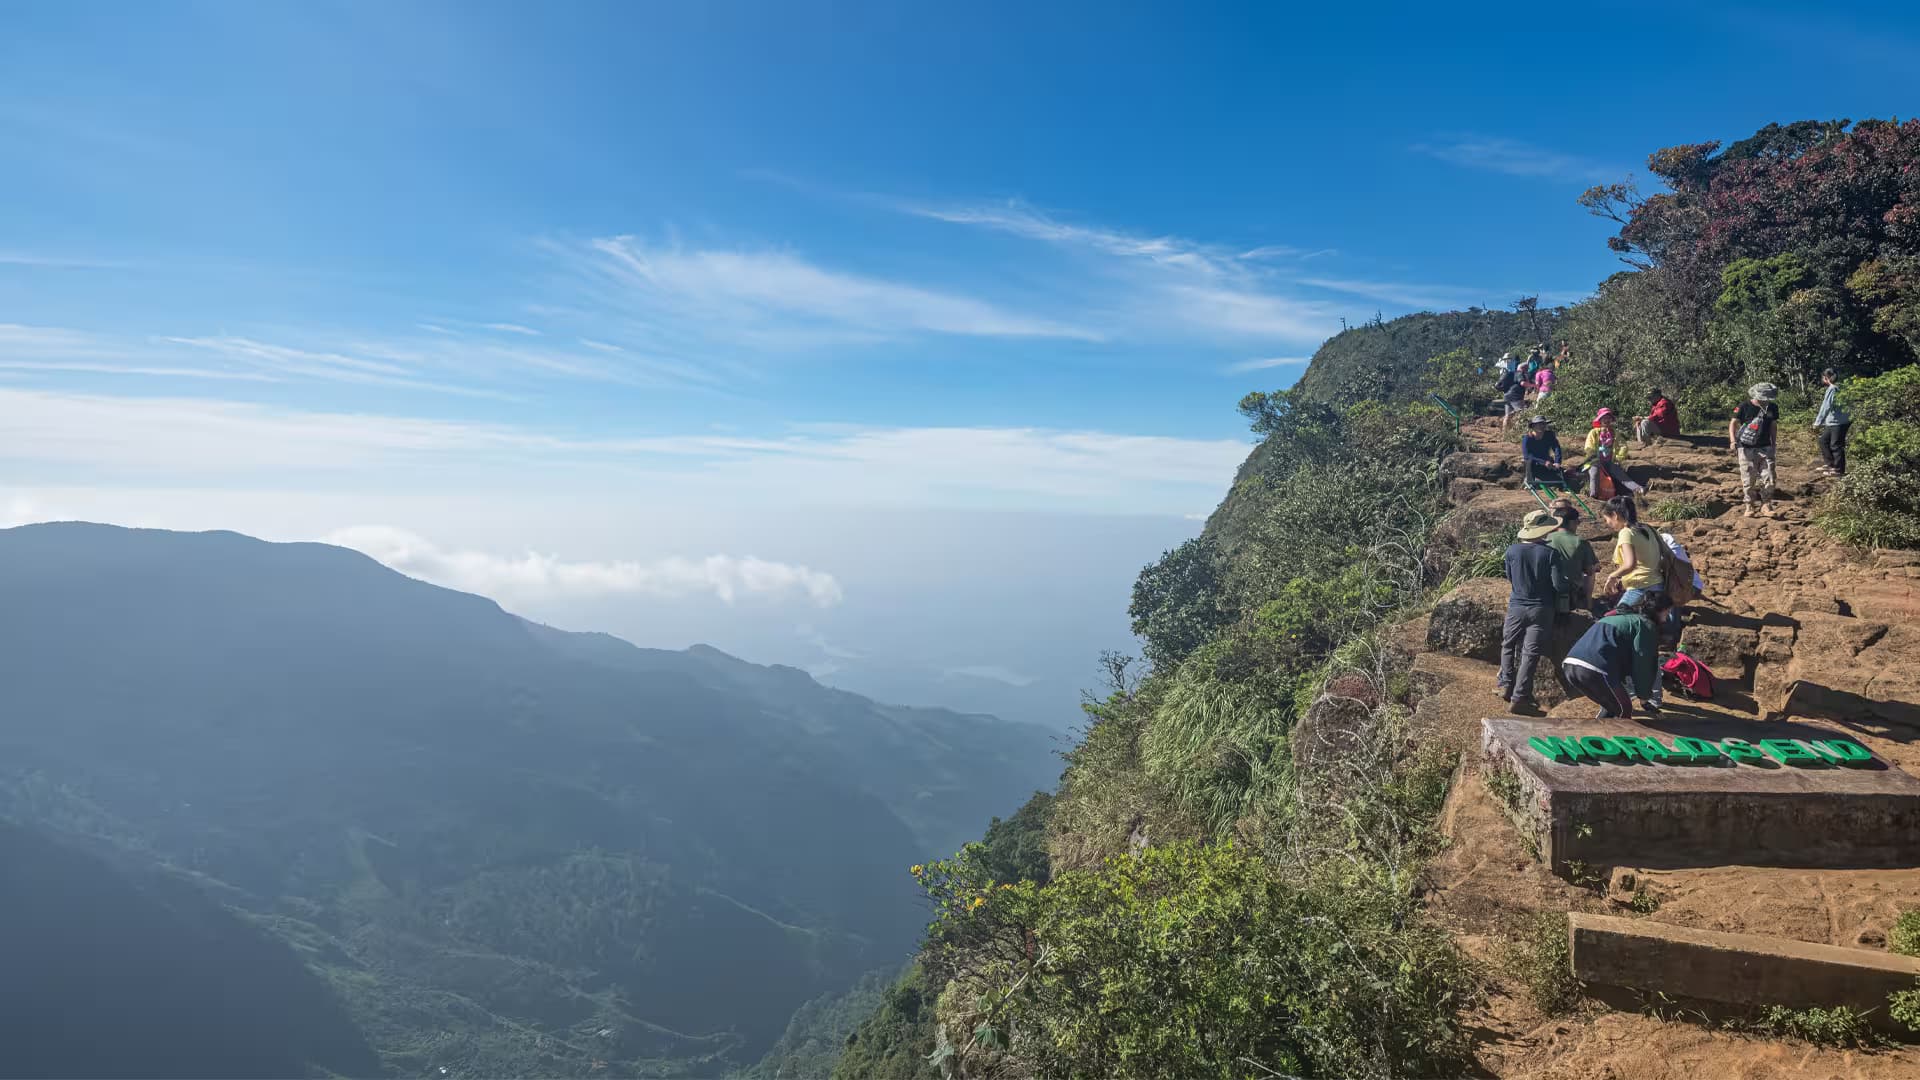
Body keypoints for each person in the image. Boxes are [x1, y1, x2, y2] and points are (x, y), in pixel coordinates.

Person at [1497, 509, 1569, 713]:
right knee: (1530, 653)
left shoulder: (1512, 551)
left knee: (1508, 644)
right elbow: (1559, 585)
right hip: (1541, 608)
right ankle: (1520, 697)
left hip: (1517, 606)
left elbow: (1510, 577)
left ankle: (1505, 683)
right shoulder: (1550, 553)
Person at [1561, 593, 1665, 719]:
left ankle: (1597, 736)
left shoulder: (1616, 618)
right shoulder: (1644, 624)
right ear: (1658, 611)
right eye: (1667, 612)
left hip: (1570, 665)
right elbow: (1643, 664)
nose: (1666, 618)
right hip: (1595, 668)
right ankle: (1612, 737)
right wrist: (1644, 697)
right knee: (1623, 709)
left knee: (1611, 705)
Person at [1598, 495, 1662, 607]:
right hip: (1658, 583)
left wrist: (1612, 576)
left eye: (1606, 519)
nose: (1607, 523)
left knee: (1618, 618)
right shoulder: (1647, 528)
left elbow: (1630, 564)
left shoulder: (1626, 533)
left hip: (1640, 586)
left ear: (1615, 515)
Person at [1729, 382, 1781, 517]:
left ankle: (1766, 504)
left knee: (1769, 476)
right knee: (1748, 478)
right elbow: (1733, 423)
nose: (1765, 400)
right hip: (1746, 448)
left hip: (1765, 447)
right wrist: (1733, 441)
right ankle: (1749, 505)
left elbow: (1773, 426)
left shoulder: (1773, 407)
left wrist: (1773, 444)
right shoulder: (1744, 407)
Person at [1545, 499, 1598, 619]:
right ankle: (1588, 603)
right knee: (1591, 572)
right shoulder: (1581, 542)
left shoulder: (1546, 538)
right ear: (1572, 523)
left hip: (1545, 592)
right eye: (1577, 522)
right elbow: (1589, 571)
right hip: (1570, 595)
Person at [1578, 408, 1645, 497]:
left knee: (1620, 474)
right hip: (1595, 461)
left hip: (1610, 462)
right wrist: (1594, 457)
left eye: (1608, 418)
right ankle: (1593, 495)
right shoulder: (1593, 432)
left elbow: (1623, 446)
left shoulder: (1615, 433)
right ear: (1600, 420)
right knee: (1594, 472)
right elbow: (1589, 447)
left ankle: (1639, 490)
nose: (1607, 420)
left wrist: (1618, 457)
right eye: (1604, 418)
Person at [1813, 367, 1851, 478]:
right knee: (1823, 441)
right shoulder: (1840, 387)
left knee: (1836, 445)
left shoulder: (1833, 389)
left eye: (1823, 377)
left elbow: (1826, 406)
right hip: (1836, 421)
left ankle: (1838, 470)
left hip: (1838, 422)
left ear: (1827, 378)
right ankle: (1830, 464)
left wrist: (1817, 422)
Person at [1520, 416, 1569, 486]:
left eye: (1543, 424)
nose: (1542, 426)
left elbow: (1556, 447)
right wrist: (1543, 462)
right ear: (1533, 426)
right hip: (1534, 464)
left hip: (1547, 463)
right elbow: (1527, 456)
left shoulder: (1549, 435)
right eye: (1539, 424)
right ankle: (1530, 482)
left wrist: (1557, 462)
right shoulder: (1527, 438)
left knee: (1561, 479)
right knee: (1528, 462)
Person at [1500, 362, 1529, 431]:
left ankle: (1505, 432)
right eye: (1527, 368)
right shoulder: (1520, 373)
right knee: (1521, 414)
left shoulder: (1512, 373)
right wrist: (1535, 385)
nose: (1528, 370)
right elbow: (1523, 383)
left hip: (1507, 396)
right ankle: (1517, 431)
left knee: (1508, 415)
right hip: (1516, 397)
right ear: (1524, 368)